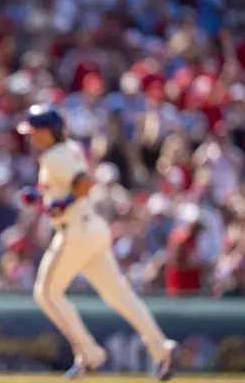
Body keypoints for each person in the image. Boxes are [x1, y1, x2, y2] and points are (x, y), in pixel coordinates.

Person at [16, 104, 178, 381]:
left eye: (34, 131)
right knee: (119, 294)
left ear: (47, 132)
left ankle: (90, 354)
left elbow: (84, 182)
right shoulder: (69, 149)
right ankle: (160, 347)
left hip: (76, 230)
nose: (30, 136)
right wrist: (45, 199)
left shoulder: (55, 155)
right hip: (92, 227)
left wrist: (61, 202)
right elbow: (72, 185)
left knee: (46, 293)